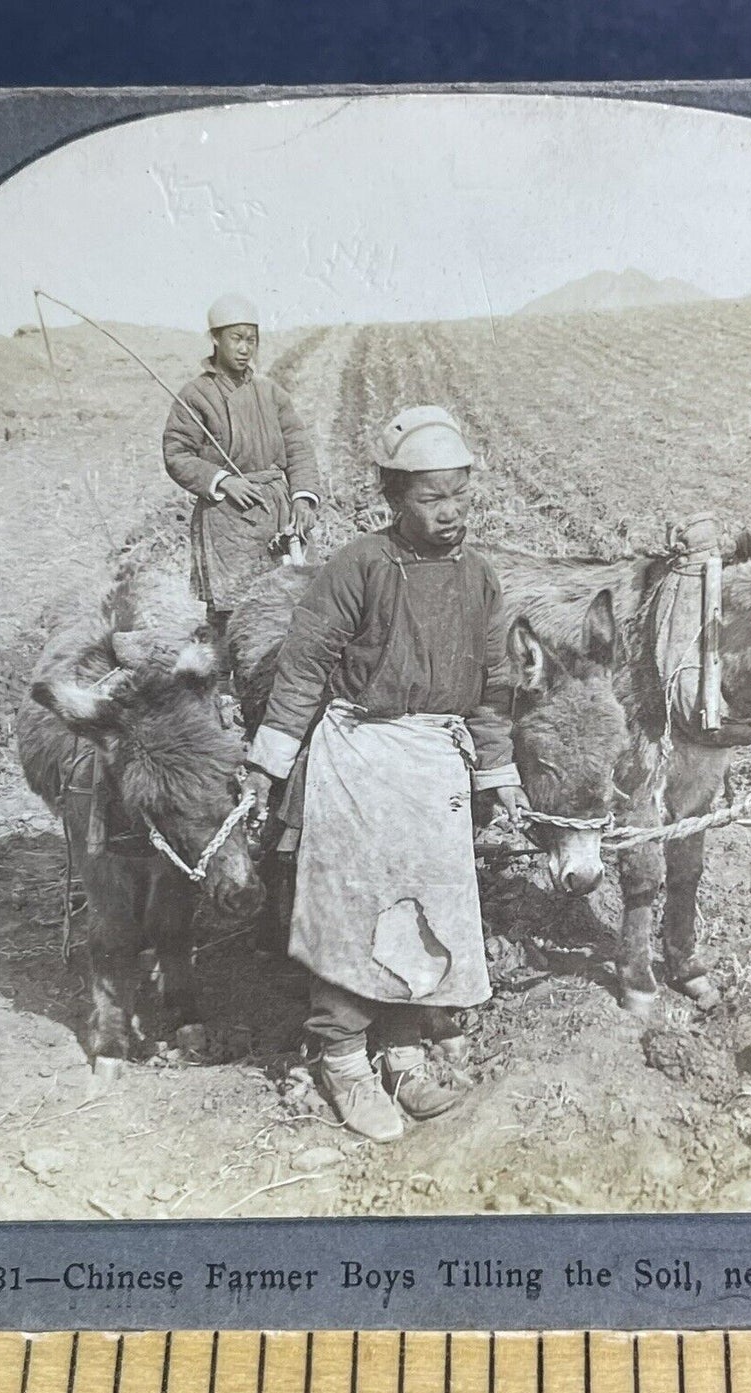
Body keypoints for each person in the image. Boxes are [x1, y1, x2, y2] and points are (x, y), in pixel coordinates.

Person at [245, 406, 529, 1142]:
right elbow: (304, 666)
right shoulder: (360, 567)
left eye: (460, 496)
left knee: (424, 909)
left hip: (435, 758)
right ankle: (341, 1057)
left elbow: (494, 685)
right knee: (353, 905)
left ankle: (401, 1049)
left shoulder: (478, 579)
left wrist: (497, 774)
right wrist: (268, 764)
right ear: (394, 497)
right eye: (432, 499)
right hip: (360, 755)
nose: (450, 513)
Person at [162, 294, 322, 634]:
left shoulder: (271, 393)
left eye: (251, 340)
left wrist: (303, 498)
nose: (244, 348)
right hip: (228, 518)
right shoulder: (195, 396)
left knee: (291, 598)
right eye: (236, 338)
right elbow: (177, 454)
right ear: (216, 339)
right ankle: (222, 678)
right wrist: (222, 481)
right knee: (230, 606)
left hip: (277, 511)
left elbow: (298, 447)